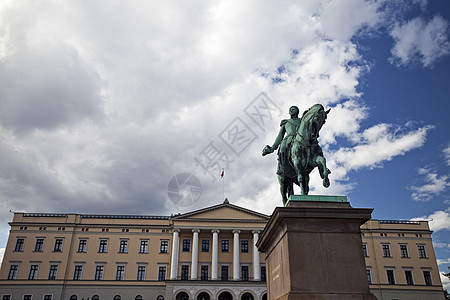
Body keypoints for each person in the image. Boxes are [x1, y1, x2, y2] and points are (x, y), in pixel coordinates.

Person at [262, 105, 301, 175]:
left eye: (293, 109)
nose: (291, 110)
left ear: (297, 111)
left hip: (301, 138)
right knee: (282, 147)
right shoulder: (285, 122)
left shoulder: (302, 120)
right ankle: (282, 167)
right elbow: (280, 135)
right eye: (290, 109)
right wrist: (273, 148)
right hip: (289, 139)